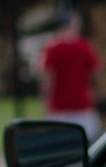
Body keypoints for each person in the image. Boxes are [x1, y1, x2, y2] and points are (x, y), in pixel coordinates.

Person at [40, 10, 102, 138]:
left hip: (58, 108)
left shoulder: (52, 48)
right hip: (82, 105)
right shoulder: (84, 46)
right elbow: (96, 75)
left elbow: (47, 78)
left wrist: (46, 101)